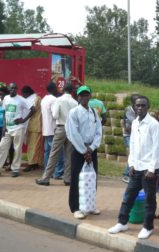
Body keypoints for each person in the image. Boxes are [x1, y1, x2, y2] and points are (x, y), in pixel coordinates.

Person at [108, 95, 159, 239]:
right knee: (128, 196)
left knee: (149, 199)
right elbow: (132, 144)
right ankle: (122, 222)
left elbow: (157, 148)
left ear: (148, 107)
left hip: (149, 169)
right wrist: (131, 164)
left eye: (143, 105)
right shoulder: (135, 123)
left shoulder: (153, 124)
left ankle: (148, 226)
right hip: (136, 167)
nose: (140, 108)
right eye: (137, 106)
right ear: (134, 107)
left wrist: (151, 169)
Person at [65, 85, 102, 219]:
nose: (84, 97)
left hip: (91, 149)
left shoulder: (93, 112)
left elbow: (99, 131)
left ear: (90, 96)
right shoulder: (74, 112)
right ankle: (76, 207)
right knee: (76, 178)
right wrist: (83, 149)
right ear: (78, 97)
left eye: (87, 95)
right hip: (79, 150)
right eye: (82, 95)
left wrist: (92, 148)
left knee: (92, 177)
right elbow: (72, 133)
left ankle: (90, 205)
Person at [0, 82, 35, 178]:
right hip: (8, 129)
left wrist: (23, 120)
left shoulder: (21, 100)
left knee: (17, 149)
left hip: (18, 128)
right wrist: (4, 127)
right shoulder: (6, 99)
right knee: (1, 148)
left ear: (17, 89)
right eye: (11, 88)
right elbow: (4, 113)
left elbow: (33, 109)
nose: (13, 90)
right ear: (9, 89)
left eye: (15, 88)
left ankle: (15, 169)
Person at [35, 83, 78, 186]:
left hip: (61, 128)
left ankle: (46, 178)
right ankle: (67, 179)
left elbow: (55, 115)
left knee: (53, 154)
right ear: (72, 91)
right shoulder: (75, 102)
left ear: (63, 90)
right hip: (71, 130)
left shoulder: (59, 100)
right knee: (69, 155)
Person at [40, 82, 64, 178]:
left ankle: (47, 172)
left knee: (47, 152)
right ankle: (57, 173)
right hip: (54, 129)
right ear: (54, 89)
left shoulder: (44, 99)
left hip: (46, 129)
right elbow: (55, 115)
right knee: (58, 152)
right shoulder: (54, 100)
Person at [21, 86, 43, 172]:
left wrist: (24, 119)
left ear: (27, 93)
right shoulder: (36, 98)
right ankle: (35, 163)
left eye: (23, 94)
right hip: (35, 125)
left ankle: (31, 164)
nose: (23, 96)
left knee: (32, 146)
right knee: (36, 146)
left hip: (34, 125)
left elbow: (32, 110)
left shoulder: (35, 99)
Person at [122, 94, 139, 183]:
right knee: (132, 153)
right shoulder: (129, 110)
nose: (139, 105)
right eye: (137, 103)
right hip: (128, 135)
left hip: (135, 135)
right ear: (133, 103)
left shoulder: (139, 110)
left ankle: (131, 173)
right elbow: (135, 122)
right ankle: (126, 174)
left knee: (135, 154)